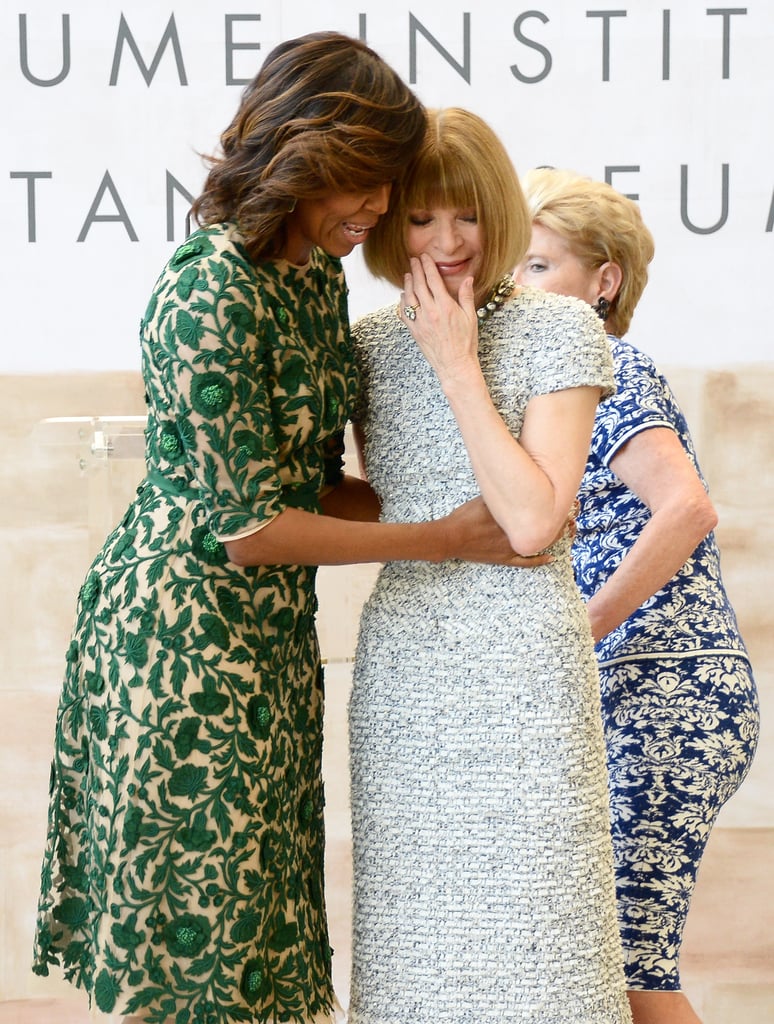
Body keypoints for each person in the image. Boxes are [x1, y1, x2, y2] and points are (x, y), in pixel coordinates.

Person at [31, 37, 533, 1024]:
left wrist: (492, 498)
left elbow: (317, 483)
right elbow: (252, 525)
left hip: (266, 648)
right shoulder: (205, 287)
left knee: (263, 945)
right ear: (300, 152)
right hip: (179, 644)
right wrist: (440, 536)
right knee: (196, 953)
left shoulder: (314, 276)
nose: (380, 209)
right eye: (362, 182)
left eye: (385, 186)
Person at [346, 107, 633, 1023]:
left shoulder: (559, 330)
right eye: (423, 218)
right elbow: (377, 501)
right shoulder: (365, 344)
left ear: (500, 212)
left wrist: (456, 361)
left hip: (522, 664)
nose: (446, 241)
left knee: (545, 936)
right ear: (391, 223)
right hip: (406, 667)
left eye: (467, 215)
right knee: (414, 940)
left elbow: (531, 521)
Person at [515, 166, 760, 1024]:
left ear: (603, 281)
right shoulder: (565, 388)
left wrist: (579, 631)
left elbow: (687, 508)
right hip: (643, 690)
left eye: (539, 266)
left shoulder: (611, 363)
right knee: (615, 965)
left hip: (669, 694)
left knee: (630, 969)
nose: (517, 286)